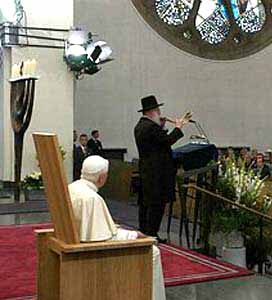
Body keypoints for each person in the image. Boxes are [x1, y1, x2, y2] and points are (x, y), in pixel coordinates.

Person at [68, 155, 166, 300]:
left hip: (75, 240)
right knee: (153, 251)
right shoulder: (92, 199)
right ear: (102, 178)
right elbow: (103, 239)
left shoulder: (73, 186)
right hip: (91, 251)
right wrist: (134, 235)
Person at [134, 95, 188, 242]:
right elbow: (167, 141)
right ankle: (151, 233)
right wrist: (178, 127)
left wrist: (161, 126)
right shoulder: (150, 128)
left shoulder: (141, 126)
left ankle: (146, 231)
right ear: (152, 112)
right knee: (156, 204)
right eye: (158, 110)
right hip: (157, 173)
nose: (160, 113)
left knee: (147, 204)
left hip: (148, 171)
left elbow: (156, 143)